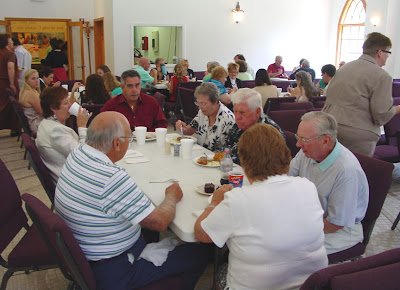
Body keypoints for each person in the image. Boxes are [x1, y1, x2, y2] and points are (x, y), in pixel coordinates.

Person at [55, 111, 212, 289]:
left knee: (149, 225)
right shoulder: (111, 178)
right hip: (113, 270)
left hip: (85, 253)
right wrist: (171, 197)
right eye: (129, 138)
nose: (129, 143)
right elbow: (160, 222)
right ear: (116, 144)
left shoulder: (79, 152)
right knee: (200, 252)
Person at [195, 122, 327, 289]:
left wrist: (214, 202)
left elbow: (201, 234)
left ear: (244, 161)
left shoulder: (238, 199)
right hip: (309, 285)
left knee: (220, 268)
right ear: (285, 155)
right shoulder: (308, 187)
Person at [289, 111, 369, 254]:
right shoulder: (308, 152)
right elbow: (286, 178)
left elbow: (335, 223)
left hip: (340, 231)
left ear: (325, 140)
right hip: (311, 216)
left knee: (287, 250)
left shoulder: (346, 171)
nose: (298, 144)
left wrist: (298, 228)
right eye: (298, 137)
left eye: (304, 139)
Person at [323, 32, 400, 157]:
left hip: (330, 126)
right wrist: (397, 109)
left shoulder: (344, 68)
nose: (388, 57)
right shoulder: (382, 76)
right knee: (355, 173)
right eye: (388, 52)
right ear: (380, 52)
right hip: (357, 134)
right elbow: (381, 114)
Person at [36, 86, 91, 184]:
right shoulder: (55, 131)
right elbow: (83, 156)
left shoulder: (45, 123)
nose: (70, 106)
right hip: (72, 181)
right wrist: (82, 126)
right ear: (53, 108)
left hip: (68, 173)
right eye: (66, 103)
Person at [224, 88, 285, 164]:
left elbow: (264, 168)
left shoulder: (270, 134)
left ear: (257, 112)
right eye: (235, 111)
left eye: (242, 113)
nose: (237, 117)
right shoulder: (238, 126)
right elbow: (226, 149)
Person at [176, 82, 235, 152]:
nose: (200, 107)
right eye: (198, 103)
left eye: (203, 104)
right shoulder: (203, 112)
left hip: (217, 160)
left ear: (216, 101)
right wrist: (183, 128)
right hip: (200, 156)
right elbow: (190, 130)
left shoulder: (228, 120)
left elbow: (228, 153)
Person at [101, 69, 167, 131]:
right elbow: (101, 127)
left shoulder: (151, 102)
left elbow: (162, 125)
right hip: (122, 141)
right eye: (130, 86)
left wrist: (147, 135)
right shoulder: (112, 105)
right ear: (122, 87)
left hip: (147, 141)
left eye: (137, 85)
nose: (134, 90)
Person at [0, 33, 20, 135]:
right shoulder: (10, 54)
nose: (12, 42)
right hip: (6, 82)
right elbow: (10, 67)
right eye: (11, 40)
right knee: (12, 106)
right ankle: (14, 129)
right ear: (6, 42)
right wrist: (12, 83)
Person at [18, 69, 43, 134]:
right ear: (26, 81)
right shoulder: (32, 95)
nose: (37, 81)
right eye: (33, 79)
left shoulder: (23, 92)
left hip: (31, 123)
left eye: (37, 78)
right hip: (37, 125)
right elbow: (43, 113)